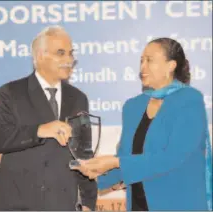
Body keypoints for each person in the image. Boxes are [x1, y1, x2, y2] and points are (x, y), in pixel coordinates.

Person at [72, 37, 212, 211]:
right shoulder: (133, 106)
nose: (142, 67)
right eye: (141, 60)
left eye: (149, 60)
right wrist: (92, 177)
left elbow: (173, 156)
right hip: (139, 205)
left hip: (179, 204)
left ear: (171, 66)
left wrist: (116, 162)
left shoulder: (189, 100)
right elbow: (126, 158)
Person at [0, 25, 97, 211]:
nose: (69, 60)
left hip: (63, 204)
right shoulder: (11, 92)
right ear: (40, 56)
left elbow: (83, 154)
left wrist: (87, 202)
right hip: (19, 204)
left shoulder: (78, 98)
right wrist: (39, 130)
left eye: (70, 53)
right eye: (60, 53)